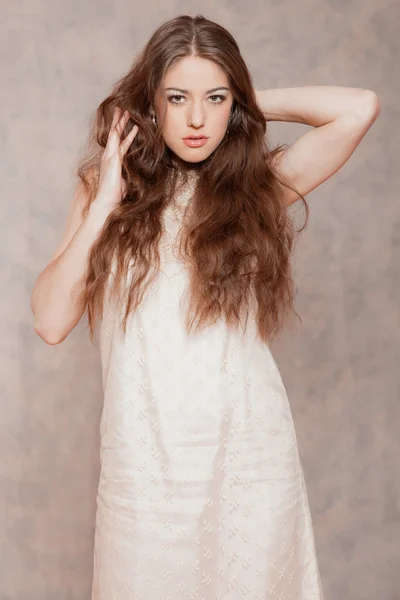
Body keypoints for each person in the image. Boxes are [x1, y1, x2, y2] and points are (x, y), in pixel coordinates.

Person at [31, 13, 380, 600]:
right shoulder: (103, 189)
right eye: (177, 99)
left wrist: (238, 98)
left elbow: (359, 108)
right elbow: (49, 320)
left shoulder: (258, 184)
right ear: (151, 102)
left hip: (247, 458)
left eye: (214, 99)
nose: (197, 119)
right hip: (145, 467)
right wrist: (103, 208)